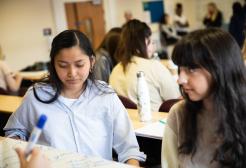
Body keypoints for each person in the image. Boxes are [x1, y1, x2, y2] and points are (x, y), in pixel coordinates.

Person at [4, 30, 146, 166]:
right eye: (63, 65)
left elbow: (129, 149)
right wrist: (19, 148)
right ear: (53, 64)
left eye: (79, 64)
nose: (72, 73)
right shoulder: (36, 96)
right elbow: (15, 131)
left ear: (92, 62)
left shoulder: (105, 95)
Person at [161, 28, 246, 167]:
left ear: (220, 68)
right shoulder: (179, 114)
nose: (181, 79)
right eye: (180, 69)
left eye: (191, 69)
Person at [109, 19, 180, 112]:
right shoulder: (154, 66)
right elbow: (176, 99)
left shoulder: (115, 70)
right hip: (156, 122)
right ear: (141, 45)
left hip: (129, 124)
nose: (153, 47)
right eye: (150, 42)